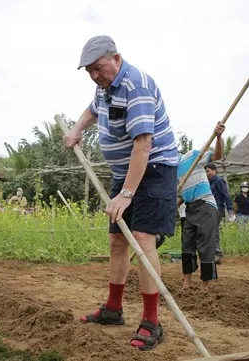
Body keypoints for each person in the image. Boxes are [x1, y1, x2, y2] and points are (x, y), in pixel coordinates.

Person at [64, 35, 178, 351]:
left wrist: (126, 194)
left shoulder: (136, 86)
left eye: (98, 68)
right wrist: (77, 129)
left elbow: (144, 144)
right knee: (117, 240)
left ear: (116, 58)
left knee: (142, 238)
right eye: (89, 71)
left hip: (154, 171)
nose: (95, 76)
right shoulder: (105, 87)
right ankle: (113, 309)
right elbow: (92, 109)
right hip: (124, 172)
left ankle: (152, 322)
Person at [177, 124, 225, 290]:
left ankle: (205, 285)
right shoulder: (172, 172)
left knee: (206, 245)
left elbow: (218, 155)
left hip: (205, 205)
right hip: (189, 208)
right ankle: (187, 283)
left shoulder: (191, 156)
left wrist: (218, 137)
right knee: (187, 245)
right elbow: (182, 197)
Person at [204, 162, 233, 262]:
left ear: (215, 170)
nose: (207, 173)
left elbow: (226, 195)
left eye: (208, 171)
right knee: (210, 231)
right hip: (209, 209)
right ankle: (213, 253)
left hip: (217, 209)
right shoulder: (208, 182)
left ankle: (217, 254)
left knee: (214, 230)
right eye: (206, 172)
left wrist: (230, 209)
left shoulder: (219, 181)